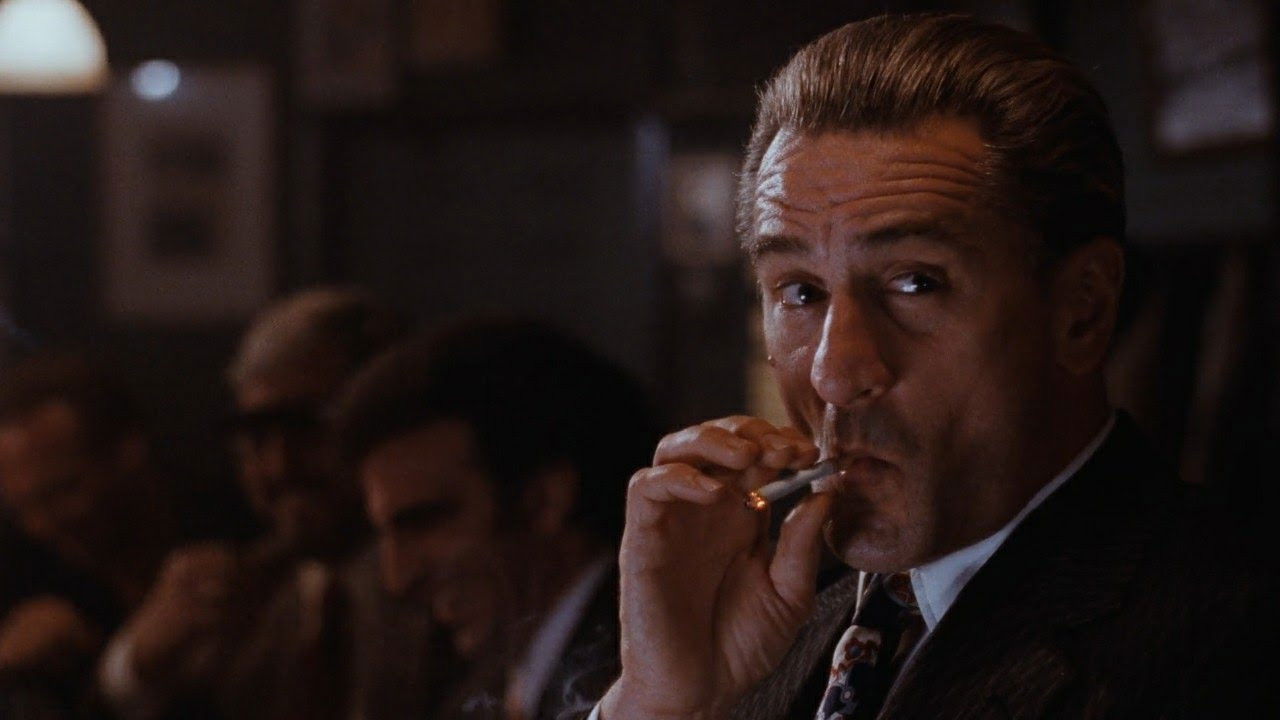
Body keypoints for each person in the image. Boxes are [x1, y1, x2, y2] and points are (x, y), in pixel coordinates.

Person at [595, 13, 1279, 720]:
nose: (834, 376)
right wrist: (656, 703)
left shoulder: (1233, 644)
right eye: (800, 293)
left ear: (1083, 311)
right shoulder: (769, 621)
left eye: (915, 283)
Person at [98, 288, 408, 720]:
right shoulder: (252, 593)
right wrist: (140, 659)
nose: (280, 467)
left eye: (309, 428)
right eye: (257, 436)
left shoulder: (440, 583)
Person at [335, 319, 660, 720]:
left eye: (424, 522)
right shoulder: (492, 687)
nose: (398, 578)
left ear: (543, 501)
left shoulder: (651, 681)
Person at [0, 354, 176, 718]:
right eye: (23, 507)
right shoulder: (27, 570)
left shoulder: (231, 538)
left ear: (129, 454)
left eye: (61, 492)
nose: (40, 524)